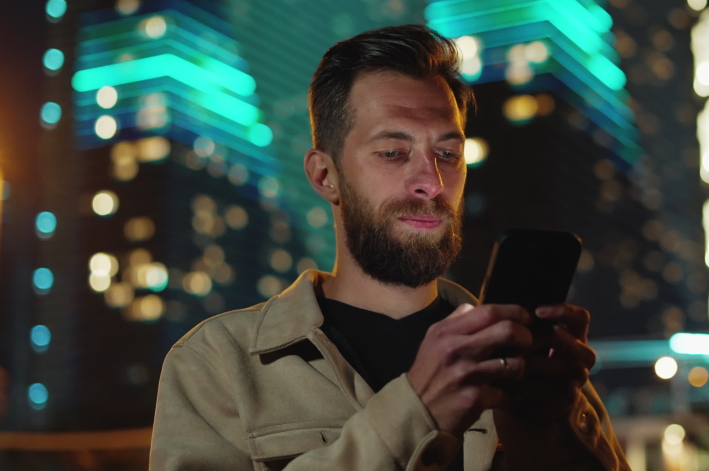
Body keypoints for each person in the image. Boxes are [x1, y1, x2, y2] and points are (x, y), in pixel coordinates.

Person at [149, 24, 630, 471]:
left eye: (447, 154)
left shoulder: (520, 358)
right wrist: (418, 409)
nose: (431, 182)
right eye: (393, 152)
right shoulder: (218, 363)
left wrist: (547, 430)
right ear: (325, 174)